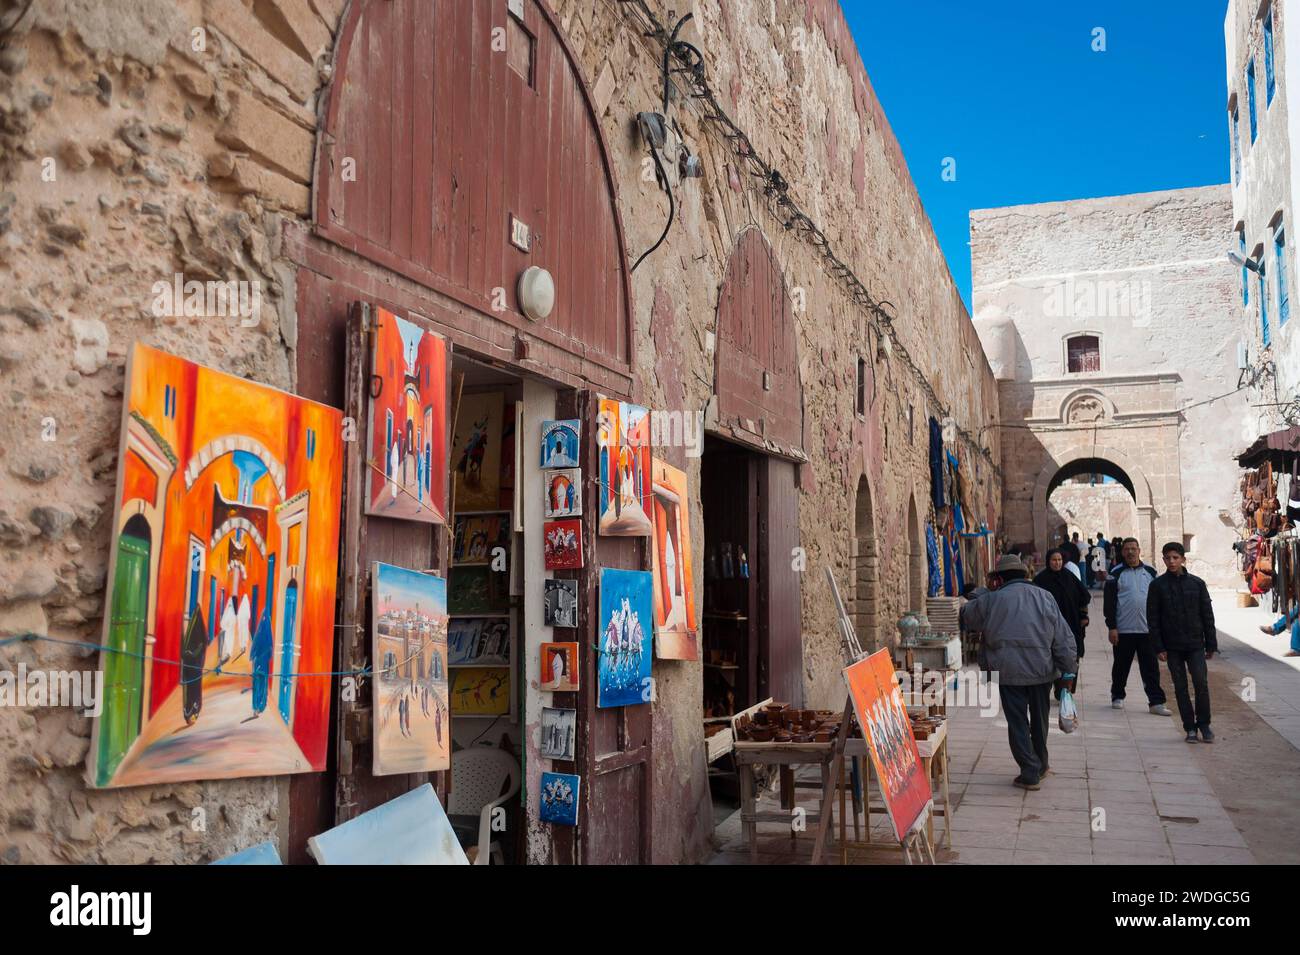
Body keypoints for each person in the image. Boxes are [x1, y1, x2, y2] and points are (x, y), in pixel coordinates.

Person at [962, 554, 1078, 790]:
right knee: (1040, 720)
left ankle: (1029, 771)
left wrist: (980, 593)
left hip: (1008, 672)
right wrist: (1069, 670)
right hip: (1042, 670)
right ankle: (1041, 763)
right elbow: (1063, 637)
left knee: (1017, 722)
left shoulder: (992, 599)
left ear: (1000, 578)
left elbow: (966, 617)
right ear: (1025, 575)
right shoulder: (1045, 597)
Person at [1147, 542, 1217, 743]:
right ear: (1163, 560)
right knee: (1180, 686)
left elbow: (1207, 615)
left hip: (1195, 643)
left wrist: (1211, 644)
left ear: (1183, 559)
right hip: (1172, 646)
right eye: (1168, 558)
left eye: (1175, 557)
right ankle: (1190, 728)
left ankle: (1204, 724)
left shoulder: (1197, 584)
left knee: (1201, 683)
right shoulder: (1157, 586)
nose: (1171, 561)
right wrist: (1158, 646)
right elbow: (1153, 618)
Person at [1103, 538, 1170, 715]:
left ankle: (1156, 702)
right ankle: (1117, 695)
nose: (1130, 552)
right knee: (1121, 666)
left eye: (1133, 549)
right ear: (1122, 552)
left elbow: (1157, 600)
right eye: (1127, 549)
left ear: (1139, 550)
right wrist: (1112, 627)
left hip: (1147, 630)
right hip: (1123, 630)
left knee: (1151, 668)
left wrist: (1159, 627)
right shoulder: (1115, 573)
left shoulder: (1150, 571)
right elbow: (1109, 603)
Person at [1033, 548, 1091, 699]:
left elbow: (1083, 597)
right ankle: (1052, 686)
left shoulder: (1069, 577)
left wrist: (1084, 615)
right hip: (1048, 627)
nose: (1057, 563)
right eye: (1054, 560)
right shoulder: (1041, 580)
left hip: (1071, 625)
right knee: (1050, 657)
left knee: (1071, 657)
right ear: (1048, 561)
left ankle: (1066, 689)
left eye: (1059, 560)